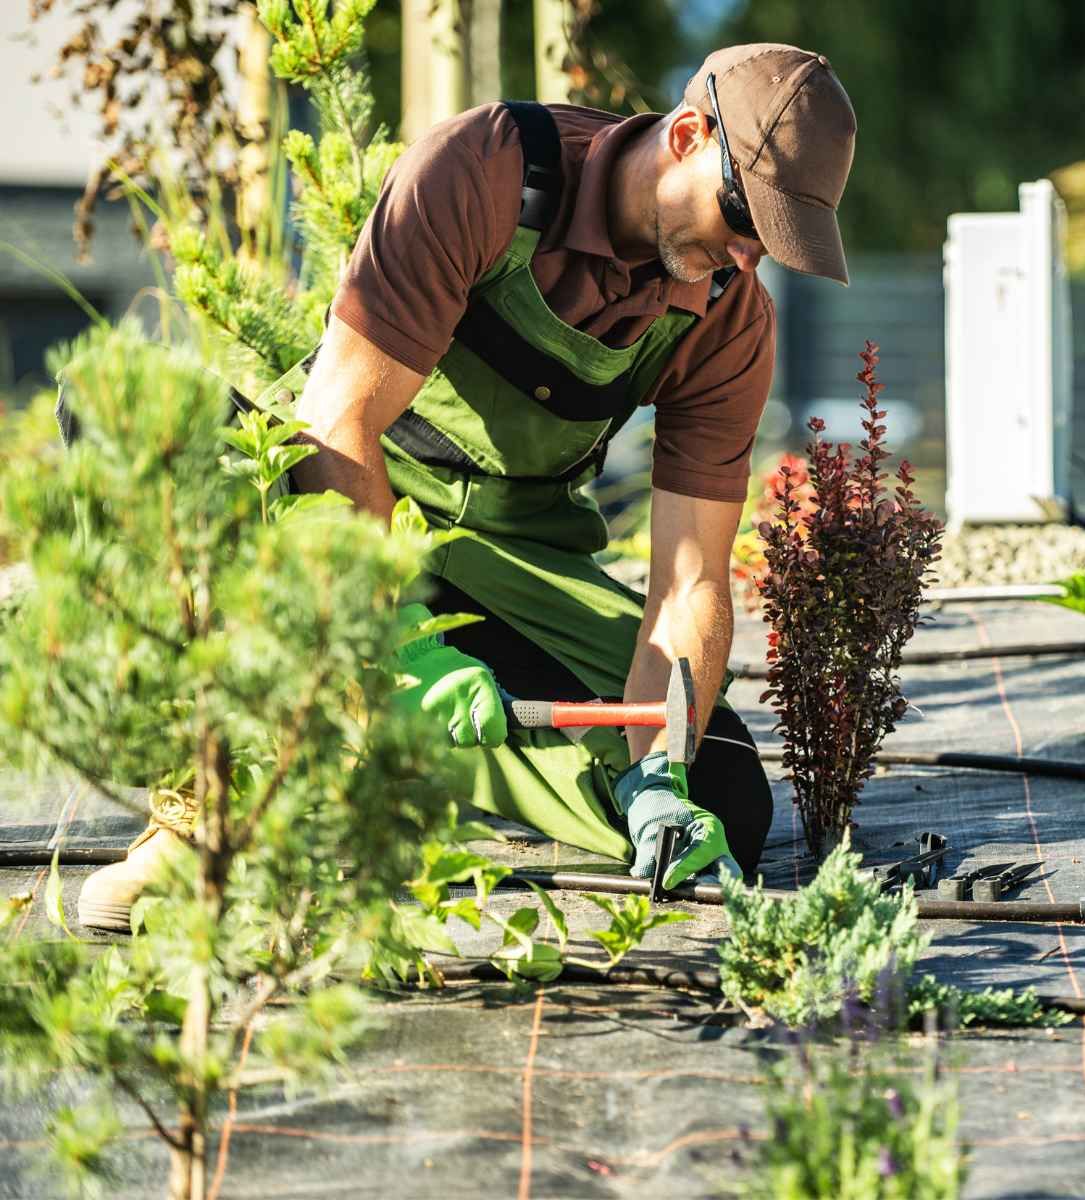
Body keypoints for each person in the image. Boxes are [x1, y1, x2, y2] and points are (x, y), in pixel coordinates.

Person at [76, 43, 857, 932]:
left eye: (771, 243)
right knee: (123, 406)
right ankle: (211, 811)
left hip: (511, 564)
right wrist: (401, 643)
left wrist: (659, 771)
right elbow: (338, 422)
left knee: (725, 792)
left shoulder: (726, 320)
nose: (746, 258)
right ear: (687, 135)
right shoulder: (484, 172)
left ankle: (372, 760)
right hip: (338, 515)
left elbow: (691, 581)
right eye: (742, 216)